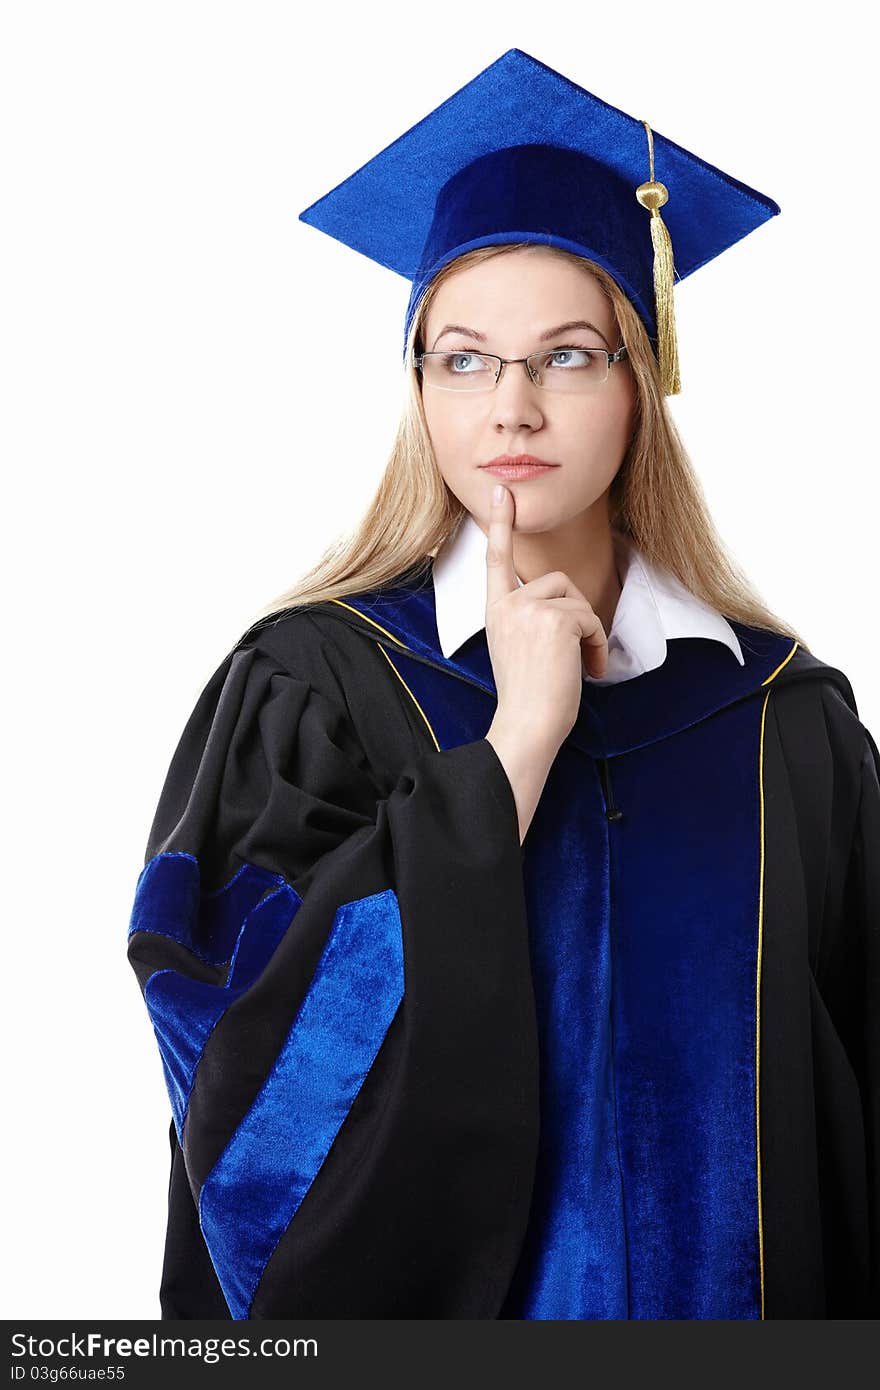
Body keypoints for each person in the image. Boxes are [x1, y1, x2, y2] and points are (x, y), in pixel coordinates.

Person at [127, 49, 879, 1320]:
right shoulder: (313, 683)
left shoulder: (783, 719)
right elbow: (242, 1068)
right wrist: (512, 756)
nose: (512, 405)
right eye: (464, 359)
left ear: (642, 383)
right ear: (418, 386)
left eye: (570, 355)